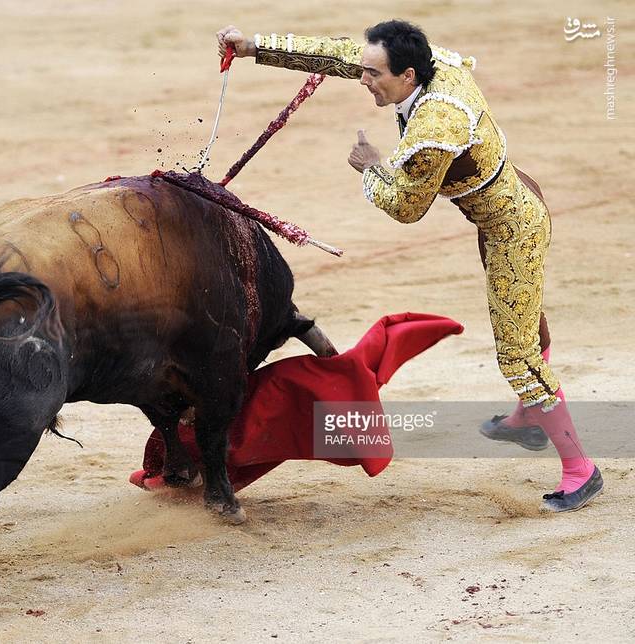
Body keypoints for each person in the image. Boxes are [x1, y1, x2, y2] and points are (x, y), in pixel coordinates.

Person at [216, 21, 602, 512]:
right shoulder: (426, 65)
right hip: (511, 202)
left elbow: (406, 208)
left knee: (518, 354)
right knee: (524, 321)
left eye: (374, 75)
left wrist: (372, 167)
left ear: (407, 74)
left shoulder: (435, 129)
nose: (363, 80)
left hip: (513, 230)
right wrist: (256, 47)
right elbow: (341, 55)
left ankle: (580, 469)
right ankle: (530, 416)